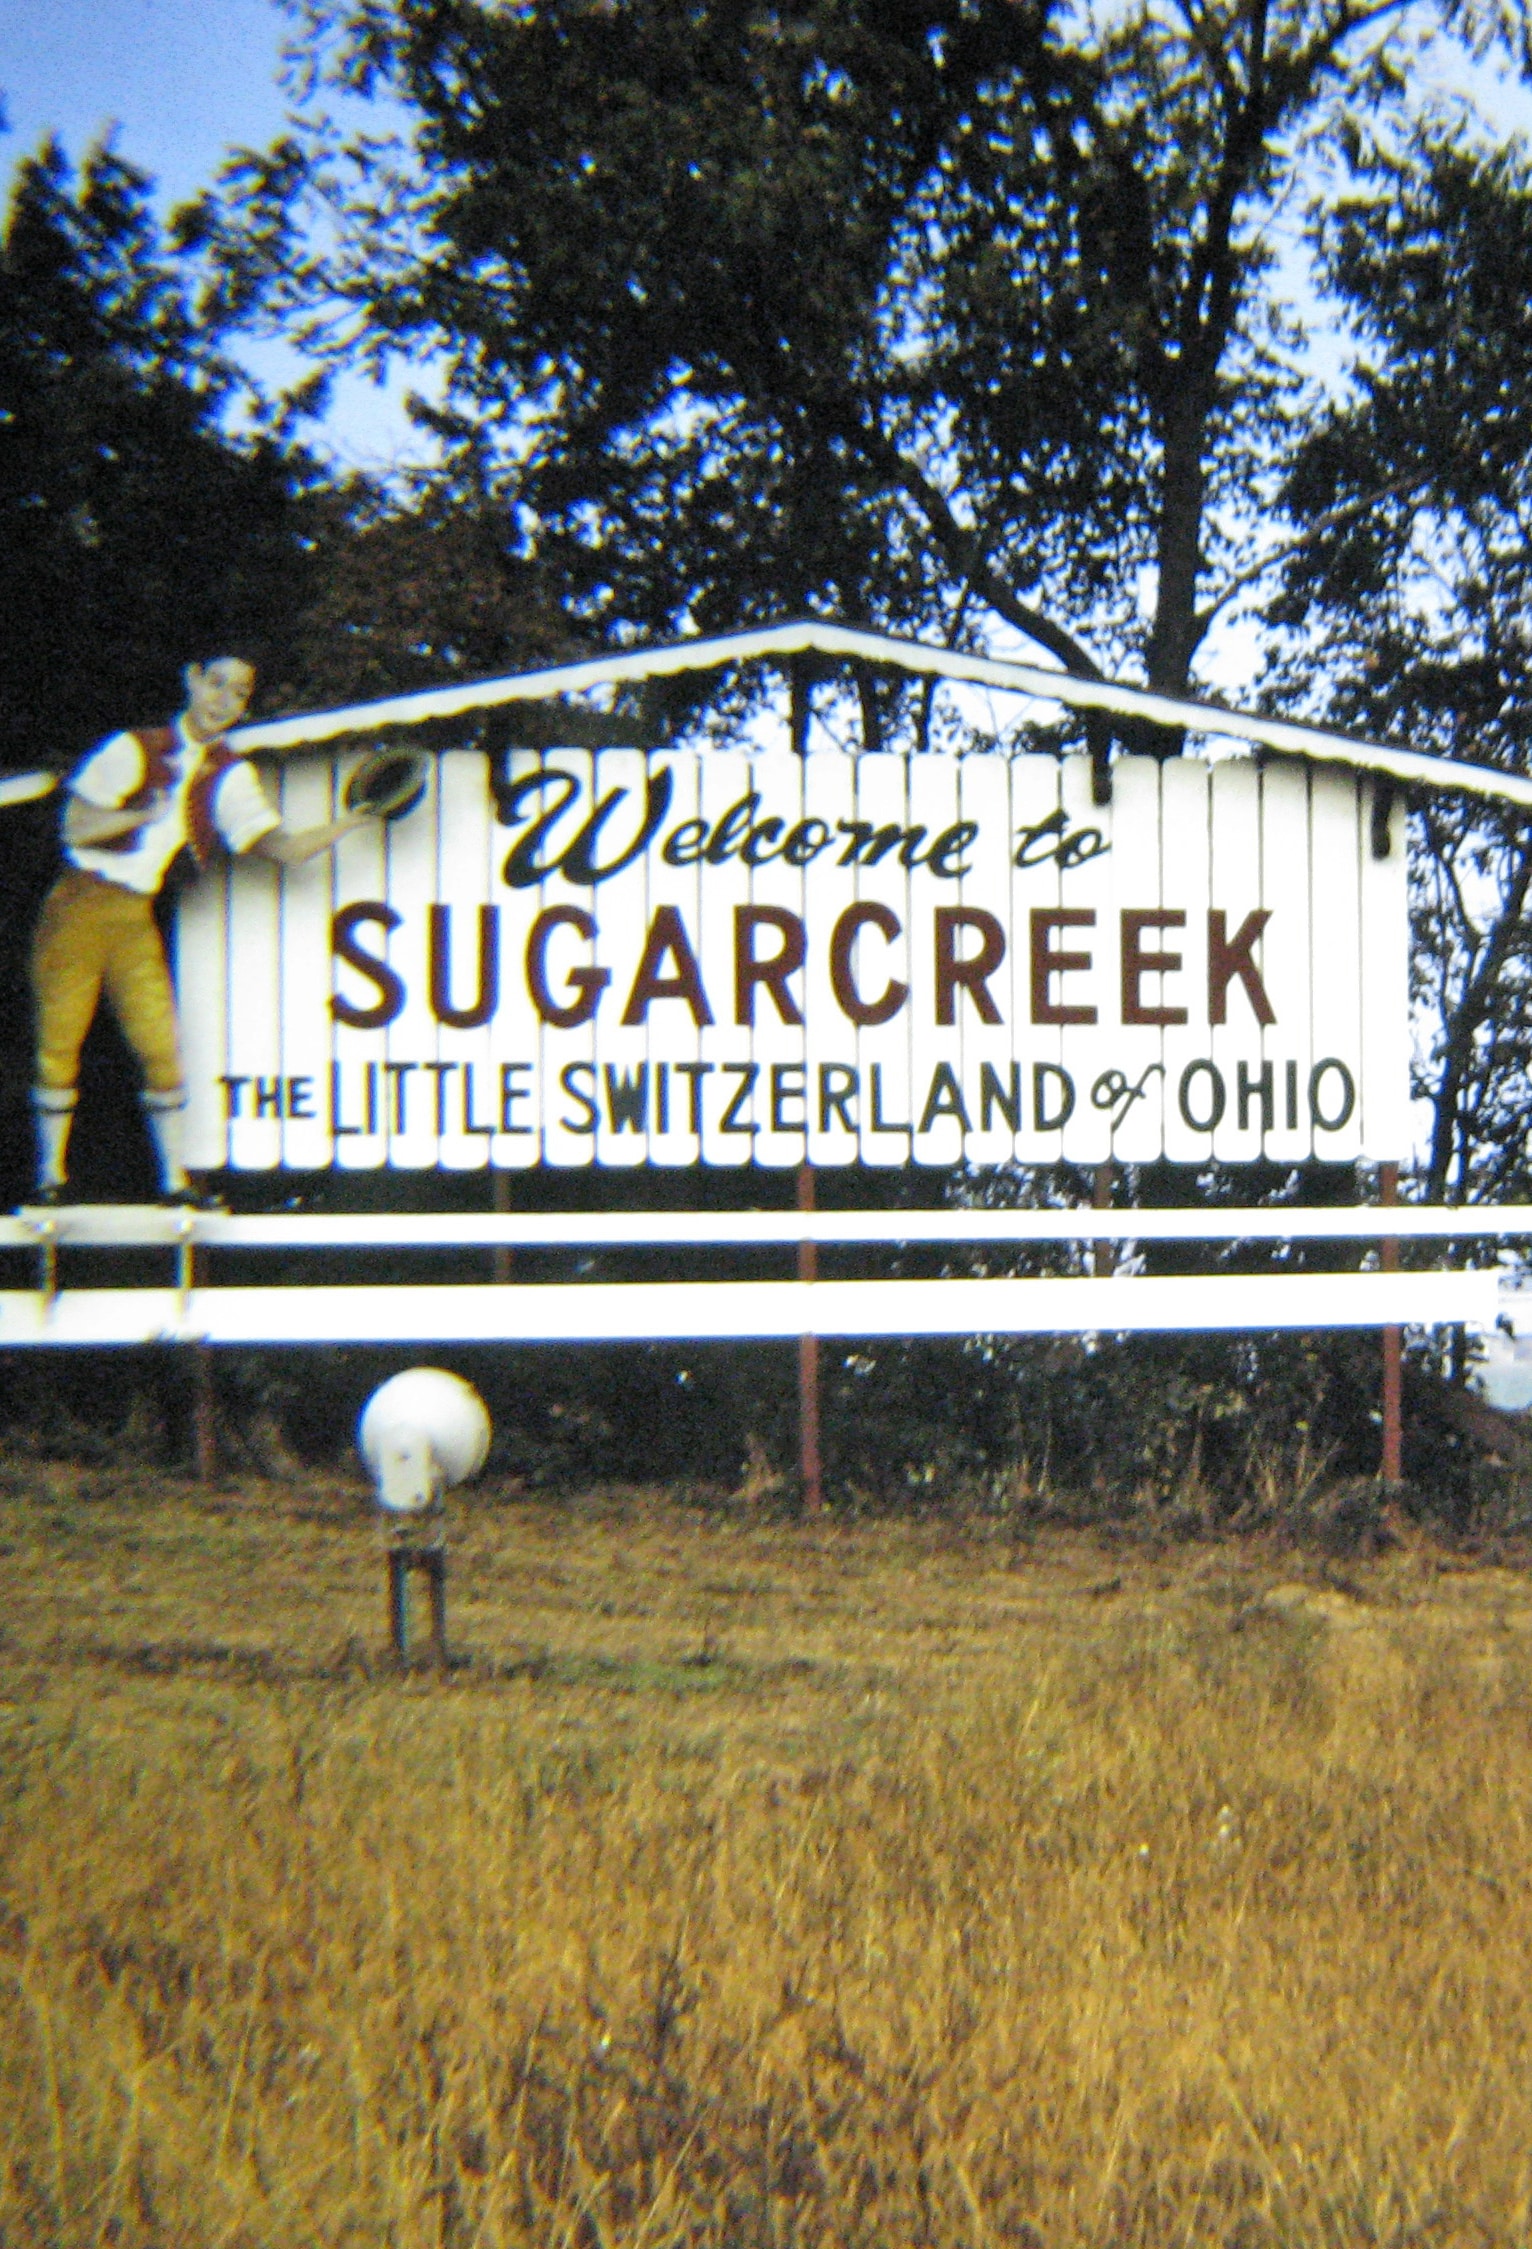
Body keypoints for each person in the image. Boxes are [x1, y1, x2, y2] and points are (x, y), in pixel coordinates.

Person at [28, 645, 379, 1206]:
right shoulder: (134, 747)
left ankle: (173, 1183)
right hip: (79, 901)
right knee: (60, 1040)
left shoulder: (228, 773)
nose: (224, 701)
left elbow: (283, 848)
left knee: (160, 1047)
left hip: (133, 912)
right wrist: (140, 815)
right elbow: (75, 826)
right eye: (217, 684)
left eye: (239, 693)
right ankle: (49, 1179)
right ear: (191, 680)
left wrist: (354, 819)